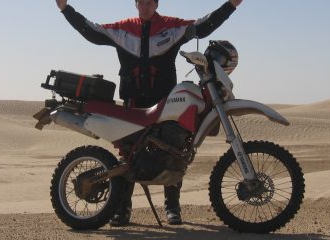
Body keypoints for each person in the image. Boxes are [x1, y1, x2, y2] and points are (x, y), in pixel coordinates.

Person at [55, 0, 243, 226]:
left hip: (165, 101)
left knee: (175, 150)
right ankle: (122, 210)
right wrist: (66, 9)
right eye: (140, 1)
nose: (144, 5)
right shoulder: (122, 29)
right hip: (133, 101)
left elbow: (203, 26)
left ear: (156, 4)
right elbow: (91, 32)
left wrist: (231, 5)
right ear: (136, 4)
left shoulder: (172, 27)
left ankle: (173, 208)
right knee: (129, 155)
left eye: (149, 1)